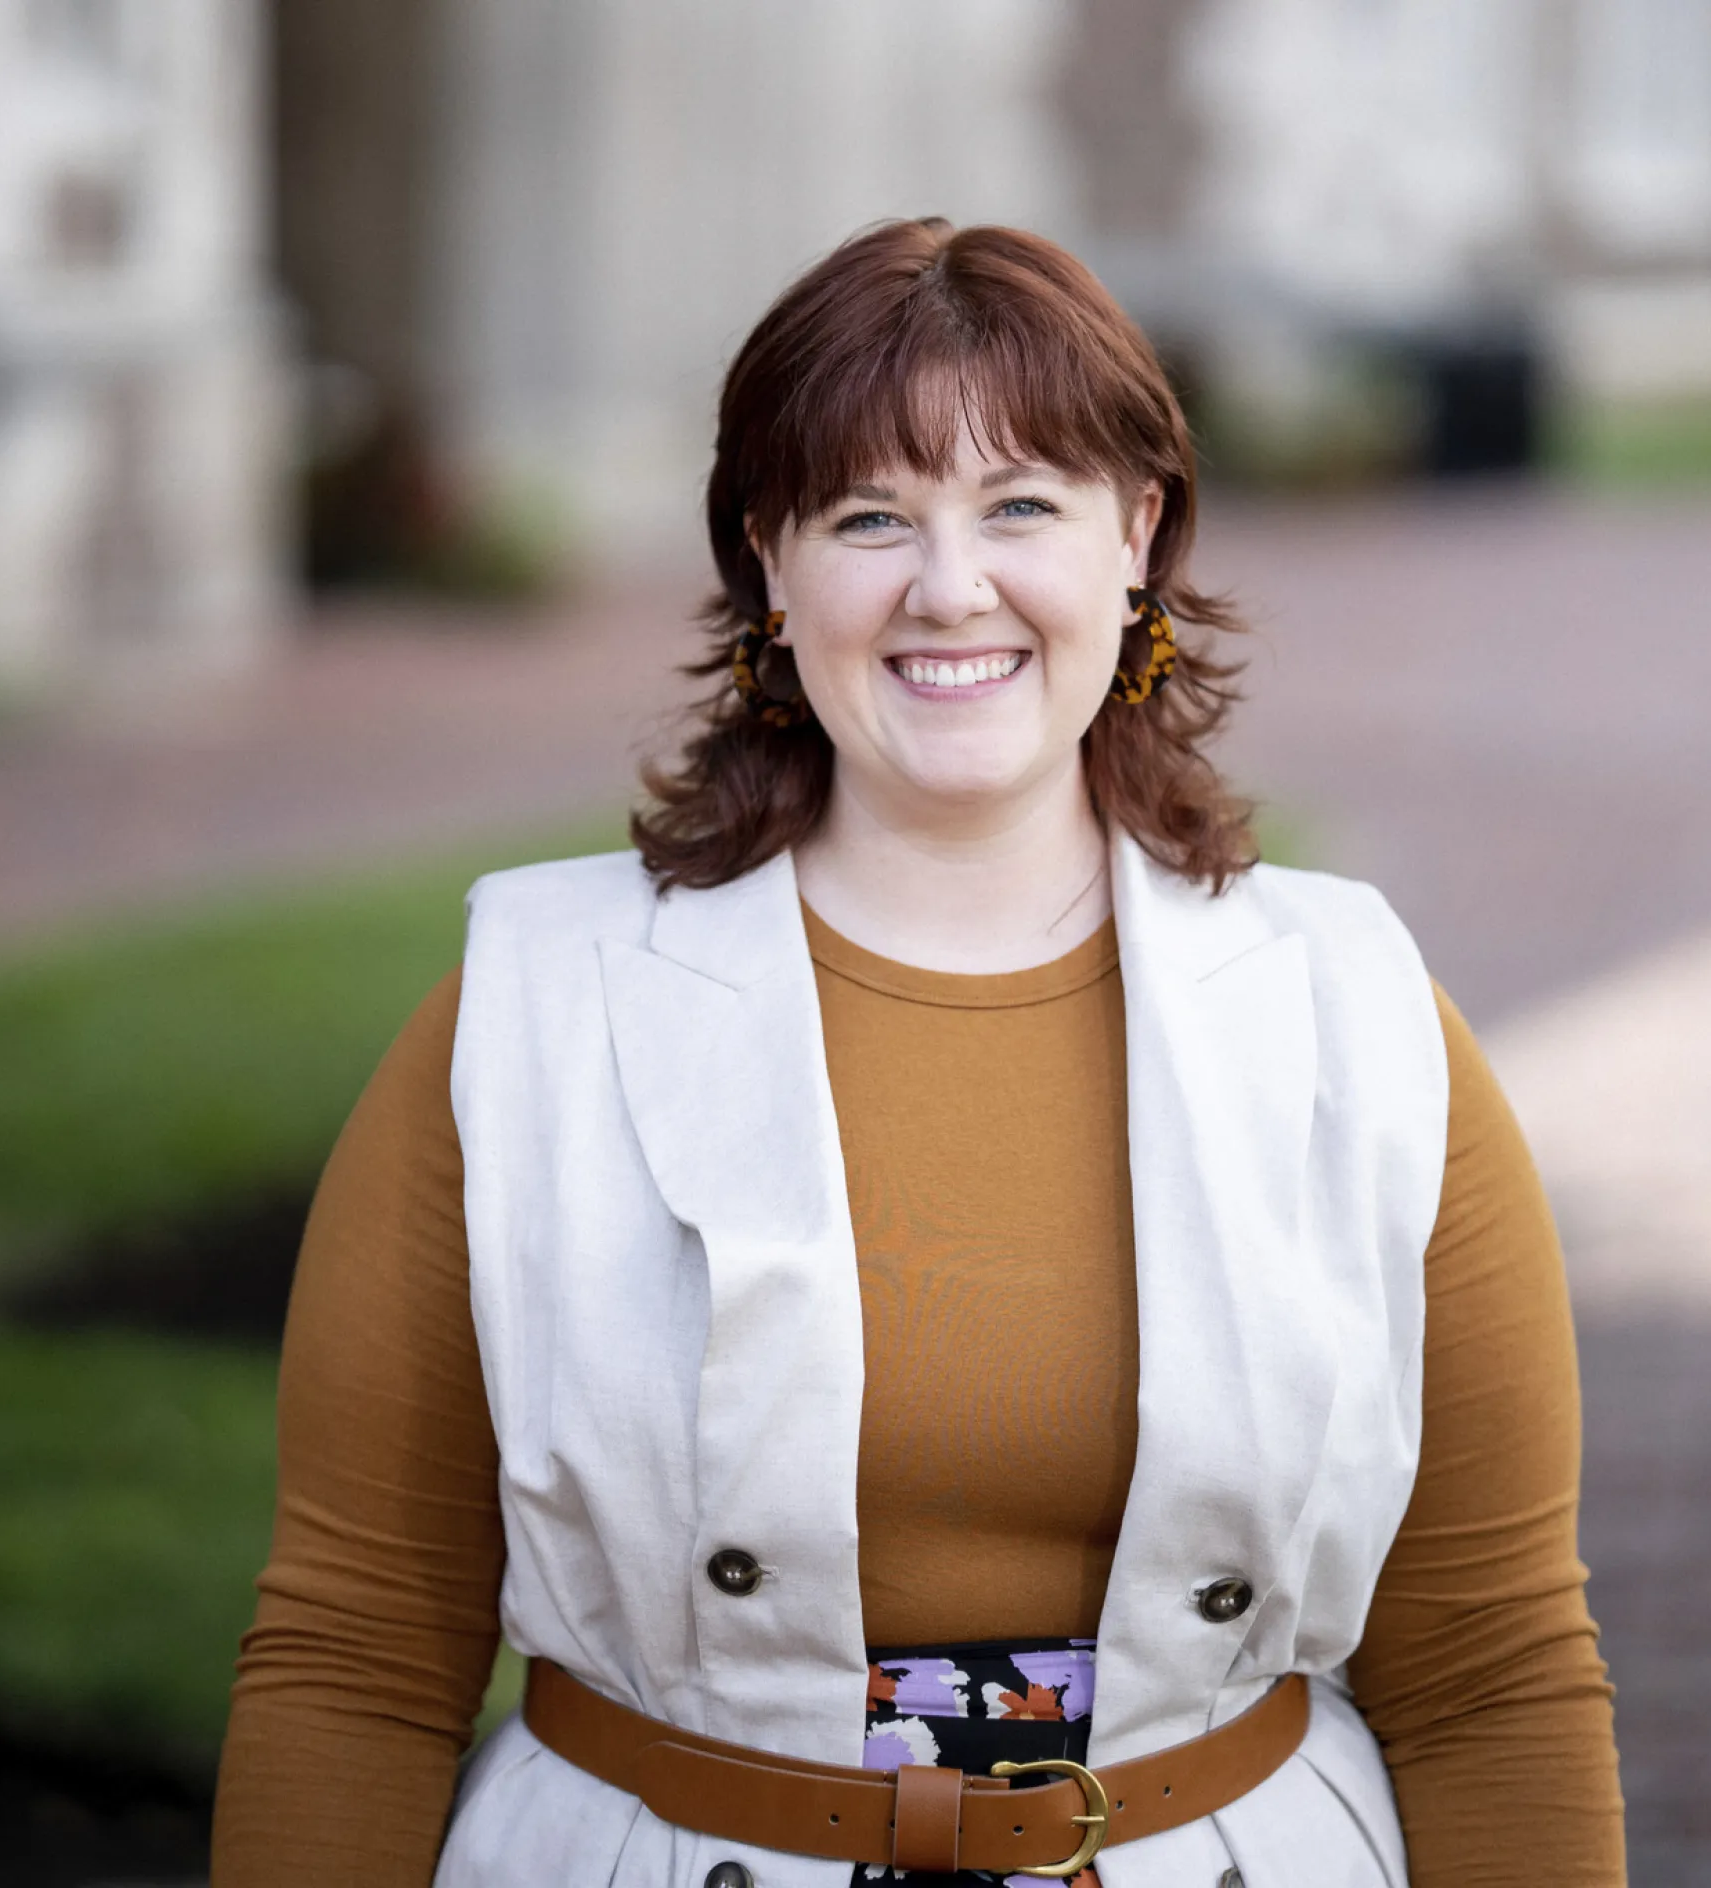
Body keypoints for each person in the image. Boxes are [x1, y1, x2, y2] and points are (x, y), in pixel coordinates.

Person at [212, 220, 1625, 1887]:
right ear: (771, 561)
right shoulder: (530, 1015)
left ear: (1137, 535)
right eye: (869, 517)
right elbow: (359, 1657)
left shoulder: (1356, 1022)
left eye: (1021, 506)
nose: (950, 588)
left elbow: (1491, 1674)